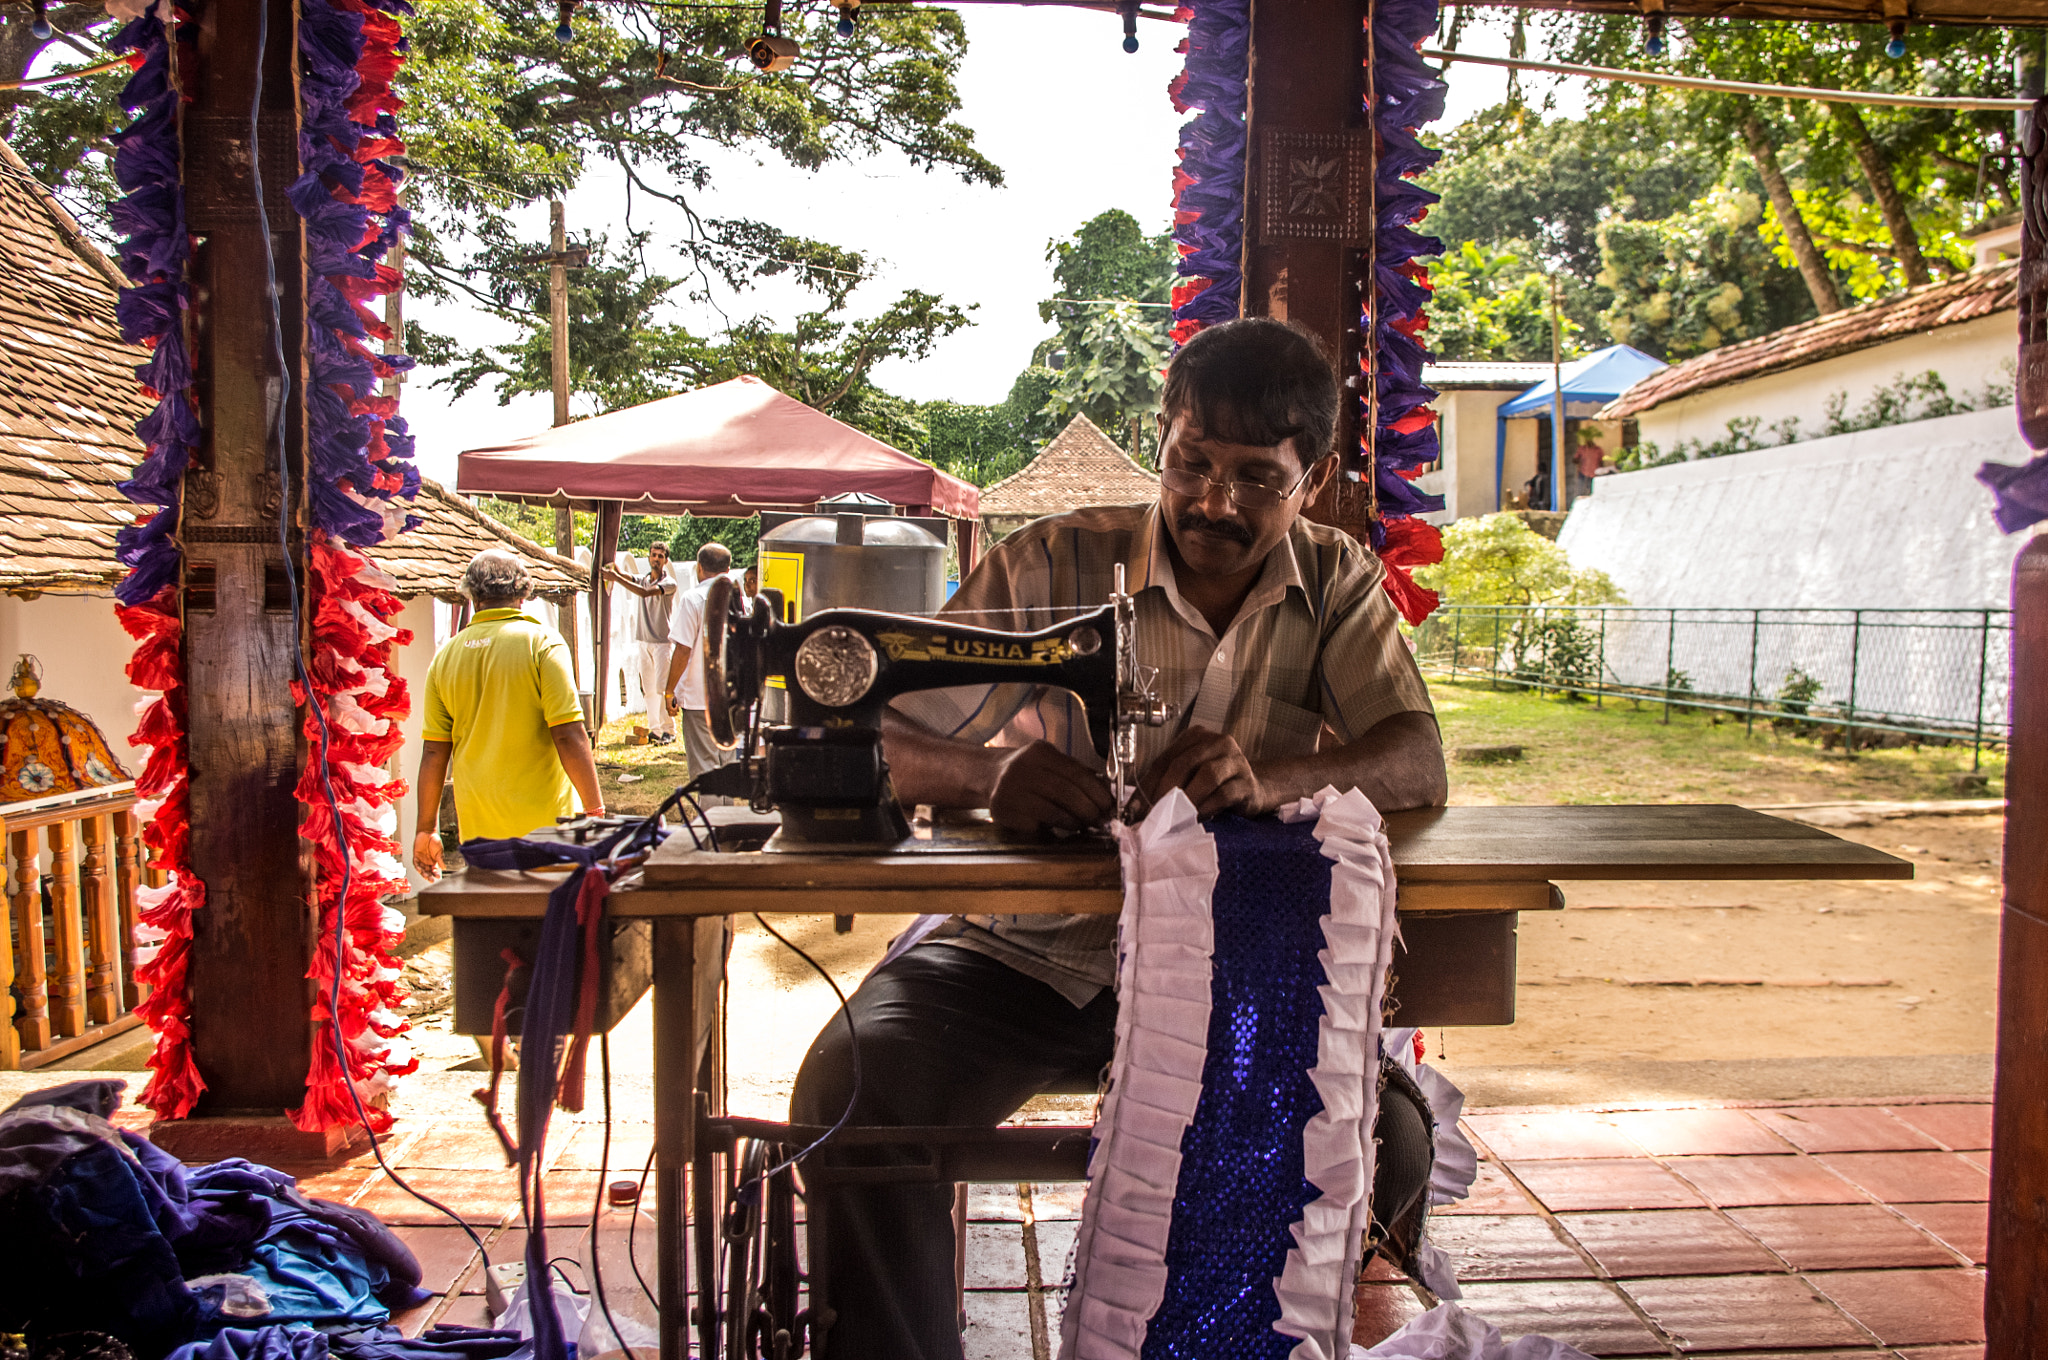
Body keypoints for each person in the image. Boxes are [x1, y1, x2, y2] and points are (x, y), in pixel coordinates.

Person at [790, 318, 1448, 1359]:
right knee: (854, 1091)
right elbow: (879, 733)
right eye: (1189, 463)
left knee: (1386, 1139)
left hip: (1234, 964)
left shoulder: (1334, 582)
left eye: (1253, 478)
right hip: (1022, 953)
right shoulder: (1047, 564)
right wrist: (988, 772)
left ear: (1310, 480)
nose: (1211, 502)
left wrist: (1264, 776)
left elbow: (1414, 754)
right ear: (1160, 438)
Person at [412, 549, 605, 881]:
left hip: (478, 834)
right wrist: (595, 811)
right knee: (548, 921)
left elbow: (433, 751)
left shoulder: (445, 657)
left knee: (497, 923)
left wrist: (426, 828)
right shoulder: (542, 644)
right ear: (524, 592)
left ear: (471, 595)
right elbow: (568, 734)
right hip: (547, 829)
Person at [661, 542, 741, 789]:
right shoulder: (741, 601)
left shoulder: (693, 598)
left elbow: (683, 649)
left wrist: (669, 690)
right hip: (731, 698)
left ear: (699, 568)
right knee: (727, 765)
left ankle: (710, 825)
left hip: (699, 698)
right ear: (728, 569)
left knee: (705, 769)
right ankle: (724, 821)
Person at [602, 541, 679, 745]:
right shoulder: (644, 579)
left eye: (660, 556)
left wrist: (616, 578)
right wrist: (613, 568)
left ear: (666, 560)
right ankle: (655, 729)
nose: (656, 559)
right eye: (653, 555)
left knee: (662, 688)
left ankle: (669, 731)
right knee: (649, 689)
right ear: (648, 557)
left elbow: (644, 593)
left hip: (662, 642)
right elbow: (629, 578)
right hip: (643, 641)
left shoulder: (669, 583)